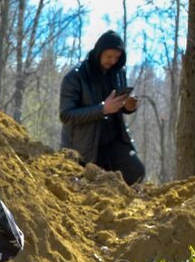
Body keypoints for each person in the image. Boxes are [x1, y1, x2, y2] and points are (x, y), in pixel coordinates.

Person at [59, 29, 145, 185]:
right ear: (99, 52)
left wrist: (127, 107)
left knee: (136, 172)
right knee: (90, 184)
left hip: (113, 139)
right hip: (85, 144)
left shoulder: (118, 72)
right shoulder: (75, 76)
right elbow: (66, 115)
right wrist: (102, 109)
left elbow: (116, 104)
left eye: (116, 57)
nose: (112, 61)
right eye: (109, 57)